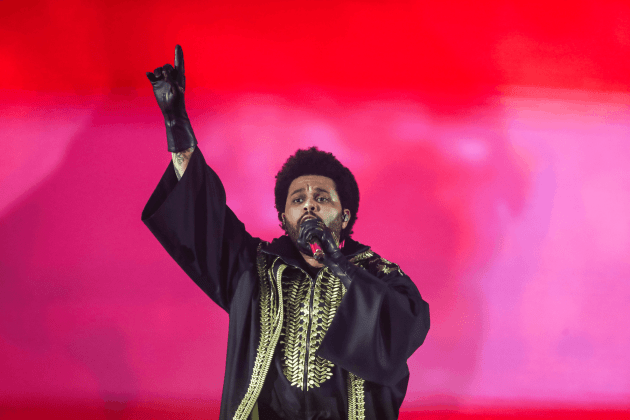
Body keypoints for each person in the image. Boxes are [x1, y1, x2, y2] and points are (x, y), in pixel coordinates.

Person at [142, 45, 430, 420]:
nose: (309, 205)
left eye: (321, 197)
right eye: (298, 199)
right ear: (283, 217)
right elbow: (203, 219)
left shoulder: (381, 275)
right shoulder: (254, 270)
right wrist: (177, 127)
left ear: (344, 216)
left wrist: (339, 265)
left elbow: (402, 332)